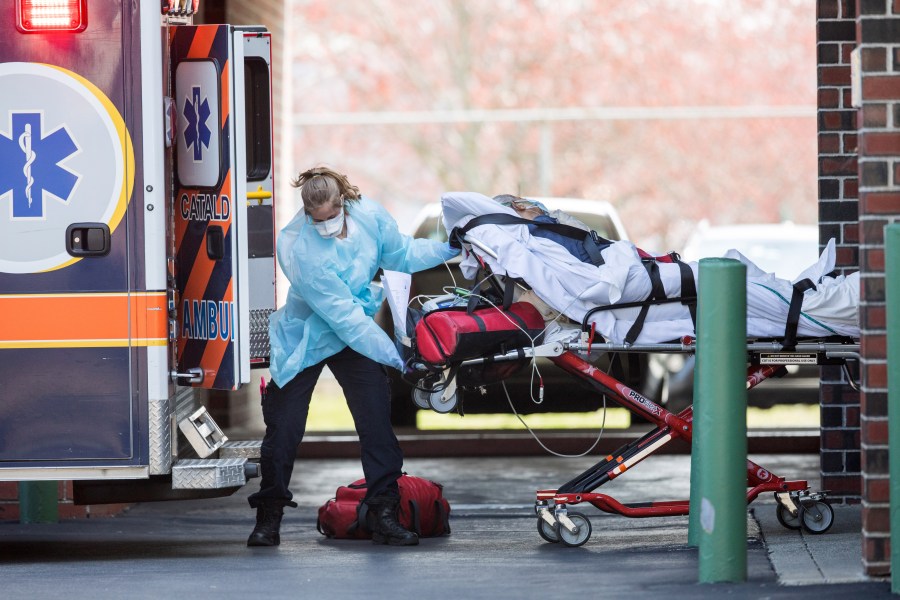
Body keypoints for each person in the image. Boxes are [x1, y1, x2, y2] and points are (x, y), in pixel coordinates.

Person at [247, 166, 459, 547]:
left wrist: (449, 248)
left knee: (376, 419)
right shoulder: (298, 248)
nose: (325, 225)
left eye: (331, 216)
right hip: (309, 335)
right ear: (307, 214)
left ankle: (384, 513)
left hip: (352, 332)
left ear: (342, 203)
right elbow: (345, 320)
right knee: (285, 426)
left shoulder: (370, 216)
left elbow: (403, 253)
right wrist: (397, 358)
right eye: (317, 220)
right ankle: (269, 517)